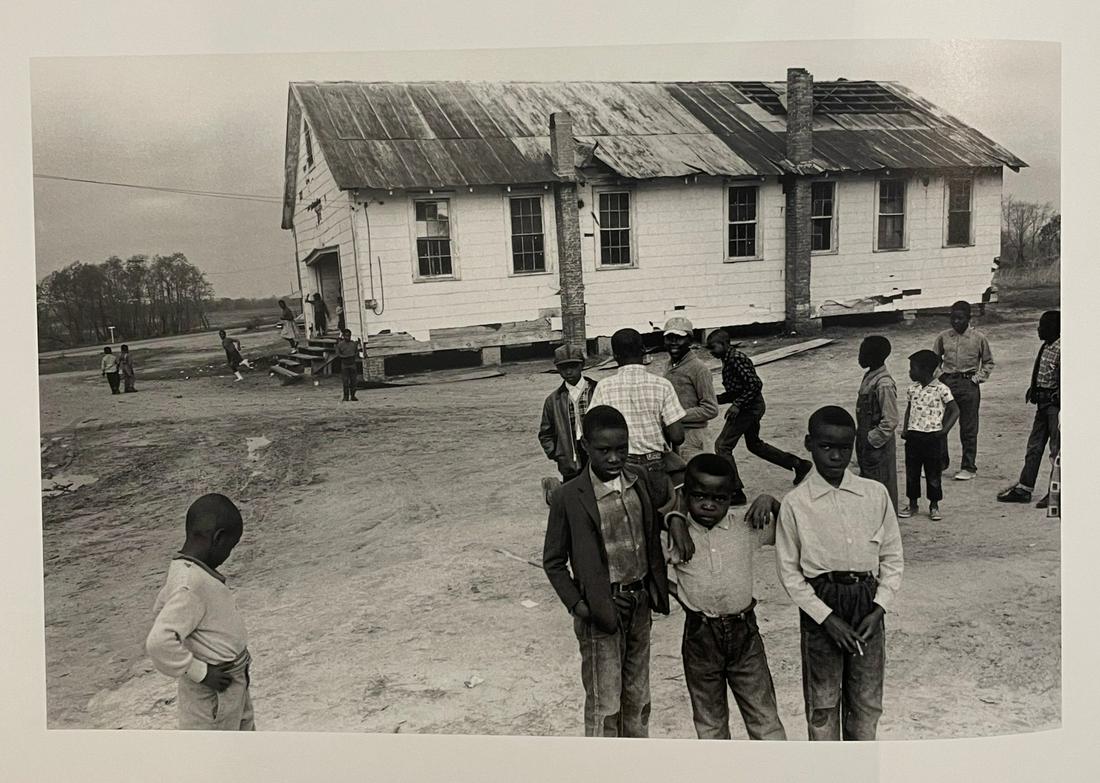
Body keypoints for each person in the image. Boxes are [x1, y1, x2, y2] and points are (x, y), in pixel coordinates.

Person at [543, 405, 693, 738]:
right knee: (605, 704)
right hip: (600, 613)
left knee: (638, 699)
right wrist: (582, 606)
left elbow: (663, 511)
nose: (614, 458)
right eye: (604, 450)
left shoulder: (639, 480)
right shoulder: (569, 497)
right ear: (585, 448)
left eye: (621, 449)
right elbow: (553, 561)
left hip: (639, 605)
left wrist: (675, 523)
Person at [762, 406, 903, 741]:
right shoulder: (797, 503)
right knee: (823, 706)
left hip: (867, 604)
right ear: (809, 443)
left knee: (866, 703)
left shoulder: (874, 494)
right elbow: (790, 573)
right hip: (822, 603)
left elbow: (893, 557)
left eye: (844, 447)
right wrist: (826, 618)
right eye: (826, 447)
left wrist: (879, 607)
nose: (836, 456)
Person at [663, 454, 786, 740]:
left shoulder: (746, 526)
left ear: (732, 497)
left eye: (719, 498)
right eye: (699, 496)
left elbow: (795, 529)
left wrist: (771, 500)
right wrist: (680, 593)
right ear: (685, 496)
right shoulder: (676, 535)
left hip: (745, 637)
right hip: (700, 638)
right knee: (710, 723)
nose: (708, 504)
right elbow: (648, 569)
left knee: (764, 718)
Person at [145, 494, 254, 731]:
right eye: (230, 547)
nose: (228, 555)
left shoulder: (183, 570)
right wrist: (200, 671)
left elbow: (160, 609)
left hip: (232, 679)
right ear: (219, 539)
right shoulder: (190, 584)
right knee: (216, 752)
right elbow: (158, 641)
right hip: (215, 690)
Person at [706, 329, 813, 506]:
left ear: (725, 344)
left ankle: (735, 492)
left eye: (713, 347)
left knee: (722, 446)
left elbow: (755, 384)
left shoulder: (736, 359)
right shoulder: (728, 359)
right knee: (754, 444)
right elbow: (737, 390)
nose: (711, 352)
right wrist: (715, 400)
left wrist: (737, 405)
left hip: (749, 409)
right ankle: (798, 464)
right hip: (750, 407)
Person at [589, 328, 686, 508]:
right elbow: (677, 436)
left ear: (615, 355)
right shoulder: (662, 385)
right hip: (655, 464)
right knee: (659, 518)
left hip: (622, 466)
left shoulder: (604, 387)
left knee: (632, 521)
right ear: (643, 351)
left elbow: (593, 430)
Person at [998, 310, 1060, 507]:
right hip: (1042, 406)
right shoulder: (1046, 346)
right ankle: (1025, 488)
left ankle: (1056, 494)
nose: (1038, 329)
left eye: (1042, 326)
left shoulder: (1063, 348)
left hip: (1055, 408)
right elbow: (1041, 373)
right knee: (1034, 447)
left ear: (1054, 328)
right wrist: (1033, 389)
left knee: (1057, 451)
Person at [933, 300, 994, 481]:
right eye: (953, 318)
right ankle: (939, 463)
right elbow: (934, 359)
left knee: (968, 427)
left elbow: (988, 362)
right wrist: (940, 376)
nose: (956, 322)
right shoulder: (943, 337)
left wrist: (977, 378)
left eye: (960, 318)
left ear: (969, 318)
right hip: (947, 384)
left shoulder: (979, 338)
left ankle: (968, 467)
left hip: (969, 385)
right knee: (940, 423)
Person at [900, 349, 959, 521]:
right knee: (912, 473)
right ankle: (912, 504)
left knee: (933, 474)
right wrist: (906, 429)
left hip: (932, 438)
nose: (910, 372)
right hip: (913, 437)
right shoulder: (912, 389)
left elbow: (955, 410)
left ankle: (934, 505)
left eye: (913, 368)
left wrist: (944, 430)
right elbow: (909, 410)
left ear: (925, 370)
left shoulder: (941, 389)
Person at [662, 317, 719, 467]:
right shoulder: (669, 365)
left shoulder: (698, 369)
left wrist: (676, 417)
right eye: (669, 338)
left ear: (690, 341)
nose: (674, 342)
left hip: (694, 437)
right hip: (675, 436)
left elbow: (710, 409)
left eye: (679, 338)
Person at [539, 344, 598, 485]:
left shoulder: (597, 390)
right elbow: (545, 433)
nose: (569, 372)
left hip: (595, 449)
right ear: (558, 369)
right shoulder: (553, 400)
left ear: (582, 365)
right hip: (569, 456)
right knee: (574, 495)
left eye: (573, 366)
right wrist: (558, 454)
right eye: (563, 368)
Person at [855, 336, 898, 511]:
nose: (859, 357)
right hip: (866, 442)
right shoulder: (870, 377)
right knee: (868, 482)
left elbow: (890, 420)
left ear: (874, 356)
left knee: (881, 484)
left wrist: (871, 441)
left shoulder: (884, 384)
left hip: (877, 446)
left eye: (863, 353)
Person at [335, 328, 360, 402]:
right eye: (346, 336)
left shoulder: (353, 344)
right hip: (344, 365)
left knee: (354, 381)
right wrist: (345, 357)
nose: (347, 337)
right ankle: (346, 396)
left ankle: (353, 395)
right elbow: (338, 354)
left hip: (352, 364)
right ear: (343, 336)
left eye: (349, 336)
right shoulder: (340, 345)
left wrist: (354, 356)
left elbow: (356, 352)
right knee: (345, 382)